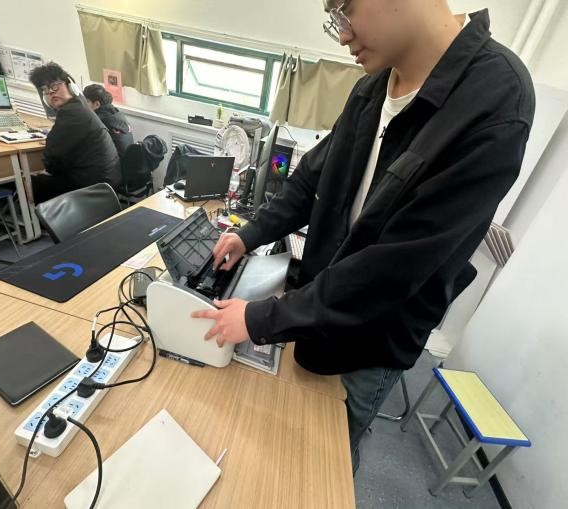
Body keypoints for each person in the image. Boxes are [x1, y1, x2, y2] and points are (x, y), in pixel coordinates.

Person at [191, 0, 535, 475]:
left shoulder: (496, 98)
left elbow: (395, 266)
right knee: (282, 442)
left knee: (324, 465)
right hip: (319, 309)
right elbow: (310, 180)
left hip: (373, 339)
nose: (342, 34)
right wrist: (249, 235)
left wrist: (263, 317)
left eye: (344, 10)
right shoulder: (372, 87)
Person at [28, 62, 120, 203]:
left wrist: (46, 171)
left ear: (70, 86)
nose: (50, 93)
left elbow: (52, 158)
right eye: (45, 90)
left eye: (54, 86)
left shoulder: (71, 112)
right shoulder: (80, 106)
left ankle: (25, 217)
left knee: (28, 183)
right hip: (105, 180)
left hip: (92, 185)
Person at [83, 84, 134, 159]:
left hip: (115, 163)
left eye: (86, 102)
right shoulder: (116, 112)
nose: (83, 105)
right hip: (128, 161)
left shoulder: (99, 121)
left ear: (97, 104)